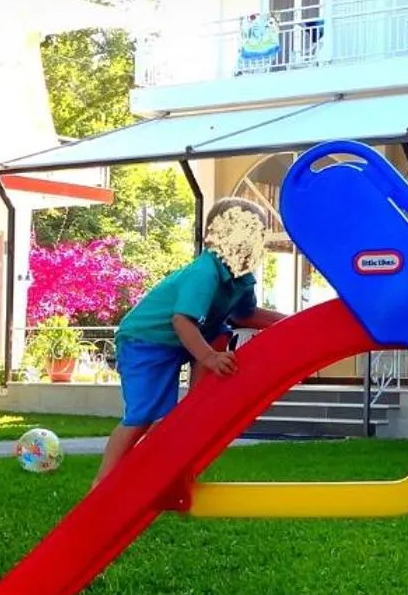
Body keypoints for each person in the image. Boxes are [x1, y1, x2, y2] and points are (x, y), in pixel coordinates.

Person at [89, 197, 288, 493]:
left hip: (187, 338)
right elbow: (181, 321)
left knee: (220, 330)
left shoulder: (241, 279)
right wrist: (209, 358)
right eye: (247, 238)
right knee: (144, 414)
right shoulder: (205, 272)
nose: (254, 248)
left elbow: (244, 315)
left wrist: (292, 322)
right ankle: (103, 484)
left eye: (258, 239)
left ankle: (197, 400)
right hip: (146, 339)